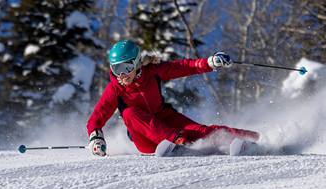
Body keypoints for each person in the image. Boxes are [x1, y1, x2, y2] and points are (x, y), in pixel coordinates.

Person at [87, 40, 259, 156]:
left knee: (201, 131)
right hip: (146, 137)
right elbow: (96, 118)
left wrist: (209, 62)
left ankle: (249, 140)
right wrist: (96, 138)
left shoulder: (152, 72)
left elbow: (182, 67)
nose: (122, 75)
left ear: (137, 62)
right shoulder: (115, 89)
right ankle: (177, 142)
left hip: (166, 118)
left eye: (126, 67)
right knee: (130, 113)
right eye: (117, 69)